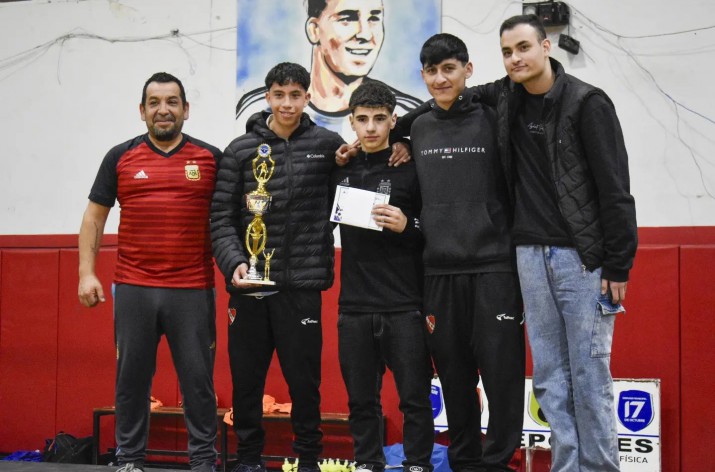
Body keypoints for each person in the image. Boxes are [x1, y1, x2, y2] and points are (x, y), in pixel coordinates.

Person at [478, 15, 637, 472]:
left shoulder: (587, 103)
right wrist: (401, 133)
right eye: (507, 52)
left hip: (582, 260)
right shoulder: (506, 97)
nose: (515, 59)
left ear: (546, 47)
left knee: (589, 377)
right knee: (549, 379)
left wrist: (618, 265)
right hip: (528, 255)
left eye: (524, 48)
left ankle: (600, 468)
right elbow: (452, 96)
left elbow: (615, 188)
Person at [394, 33, 526, 472]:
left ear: (467, 70)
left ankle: (498, 462)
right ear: (423, 75)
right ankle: (465, 460)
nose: (440, 78)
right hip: (439, 272)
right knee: (453, 376)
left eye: (449, 68)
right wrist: (392, 133)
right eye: (431, 71)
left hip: (493, 268)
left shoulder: (493, 116)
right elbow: (402, 123)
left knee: (501, 376)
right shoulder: (417, 127)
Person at [77, 72, 220, 472]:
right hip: (134, 287)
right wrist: (86, 274)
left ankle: (204, 463)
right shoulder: (119, 156)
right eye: (154, 102)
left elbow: (232, 217)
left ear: (185, 110)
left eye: (172, 101)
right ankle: (129, 460)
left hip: (193, 288)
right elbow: (93, 218)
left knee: (198, 384)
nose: (163, 109)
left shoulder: (210, 158)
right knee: (131, 382)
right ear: (142, 111)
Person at [211, 62, 346, 472]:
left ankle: (308, 459)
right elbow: (221, 218)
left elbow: (358, 184)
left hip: (301, 286)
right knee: (247, 383)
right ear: (267, 96)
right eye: (279, 94)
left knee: (305, 384)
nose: (287, 103)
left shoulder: (328, 145)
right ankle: (248, 460)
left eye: (295, 95)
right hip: (249, 287)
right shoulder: (240, 150)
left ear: (308, 97)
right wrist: (234, 262)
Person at [330, 81, 433, 472]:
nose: (371, 127)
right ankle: (367, 465)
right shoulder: (338, 169)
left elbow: (434, 229)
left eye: (379, 119)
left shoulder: (411, 167)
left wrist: (409, 223)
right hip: (354, 306)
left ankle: (418, 465)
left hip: (404, 305)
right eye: (362, 120)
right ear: (352, 123)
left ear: (393, 120)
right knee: (361, 401)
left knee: (414, 398)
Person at [235, 0, 423, 136]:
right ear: (314, 30)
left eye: (374, 18)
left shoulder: (405, 111)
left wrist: (404, 144)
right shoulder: (257, 107)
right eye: (347, 18)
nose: (365, 34)